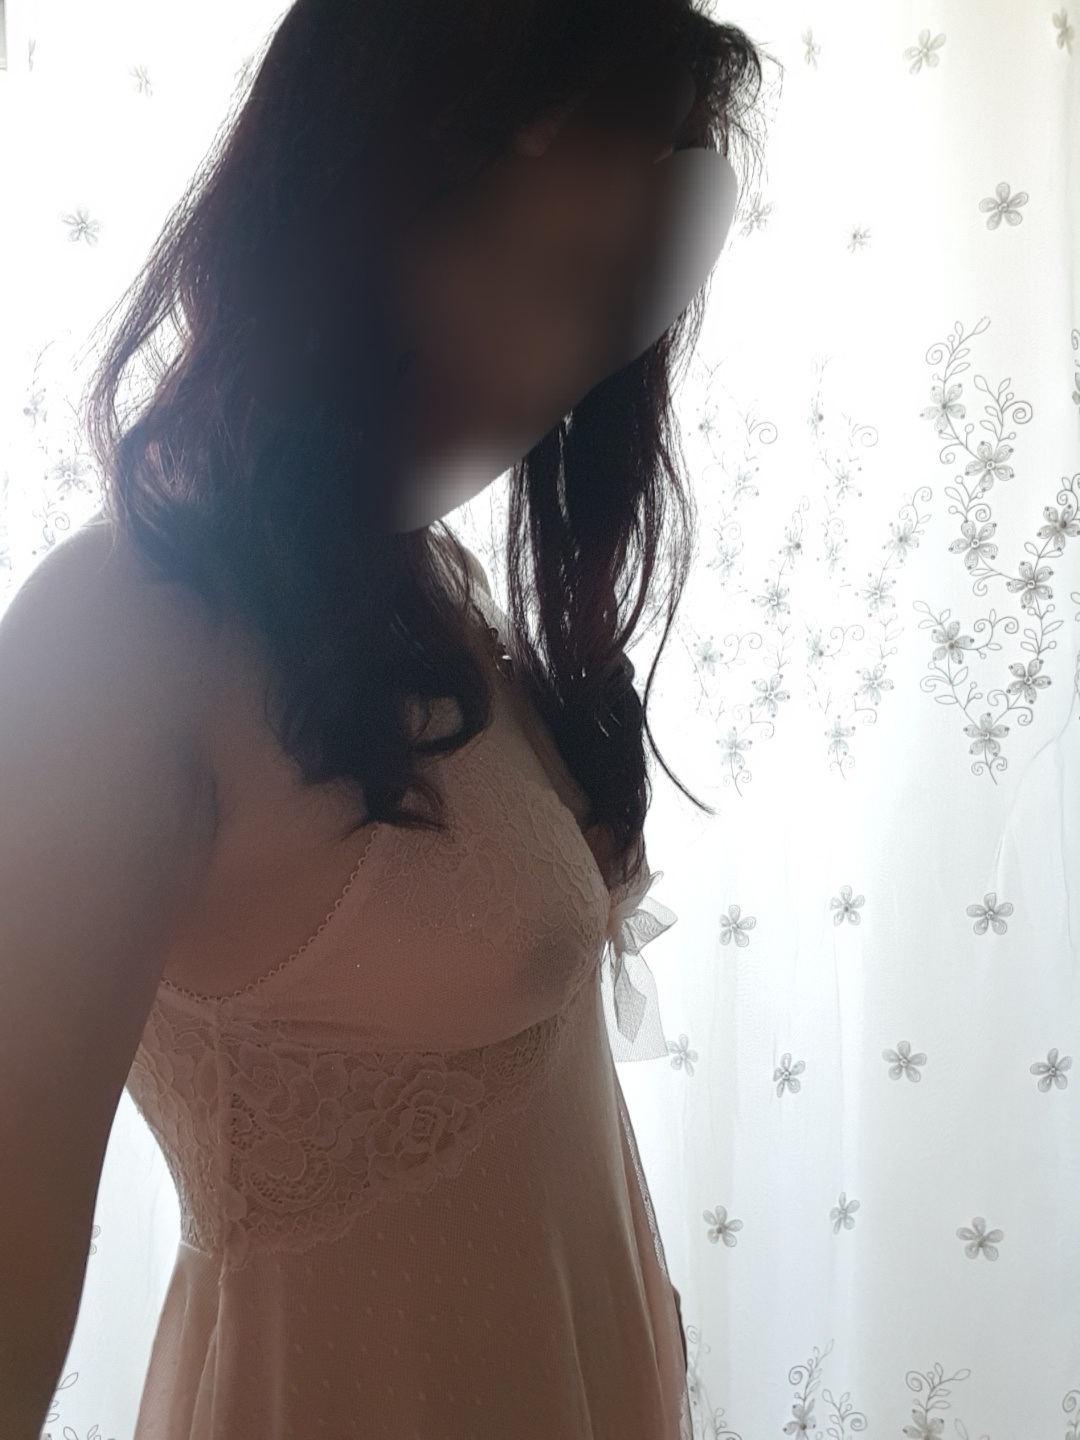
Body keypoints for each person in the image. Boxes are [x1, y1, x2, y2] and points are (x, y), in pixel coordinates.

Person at [0, 0, 764, 1435]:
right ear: (337, 193)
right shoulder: (117, 637)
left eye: (595, 288)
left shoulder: (417, 583)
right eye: (503, 251)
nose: (544, 364)